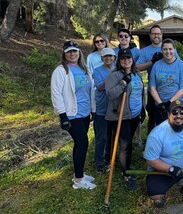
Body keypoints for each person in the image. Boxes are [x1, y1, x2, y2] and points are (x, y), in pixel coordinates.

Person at [144, 100, 183, 208]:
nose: (179, 115)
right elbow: (151, 161)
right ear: (168, 114)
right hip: (163, 171)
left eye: (182, 112)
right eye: (174, 112)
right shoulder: (157, 134)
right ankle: (161, 187)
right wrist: (171, 169)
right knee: (157, 198)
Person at [51, 41, 96, 189]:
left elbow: (91, 91)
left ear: (79, 52)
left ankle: (79, 173)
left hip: (84, 113)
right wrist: (62, 115)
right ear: (64, 54)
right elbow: (56, 94)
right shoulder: (61, 70)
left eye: (75, 51)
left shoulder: (85, 69)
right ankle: (78, 181)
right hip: (71, 114)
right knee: (83, 143)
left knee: (80, 144)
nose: (72, 54)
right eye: (69, 51)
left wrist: (92, 111)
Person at [105, 48, 145, 190]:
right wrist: (122, 83)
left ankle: (127, 167)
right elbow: (110, 94)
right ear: (119, 61)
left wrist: (142, 109)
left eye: (129, 58)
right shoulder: (114, 75)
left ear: (132, 60)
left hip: (134, 115)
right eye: (123, 58)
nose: (126, 60)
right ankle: (126, 174)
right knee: (125, 145)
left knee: (129, 144)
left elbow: (141, 93)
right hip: (121, 116)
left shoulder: (137, 73)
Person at [136, 25, 180, 133]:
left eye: (158, 33)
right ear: (150, 35)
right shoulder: (144, 51)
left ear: (162, 35)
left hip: (170, 89)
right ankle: (152, 138)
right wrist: (151, 62)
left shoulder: (170, 49)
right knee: (152, 116)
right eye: (154, 33)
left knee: (171, 116)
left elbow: (179, 65)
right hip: (154, 89)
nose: (156, 35)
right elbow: (136, 67)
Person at [149, 38, 183, 126]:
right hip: (160, 105)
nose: (168, 52)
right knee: (163, 133)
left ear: (174, 50)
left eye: (170, 49)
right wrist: (160, 104)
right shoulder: (156, 65)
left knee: (178, 131)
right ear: (161, 50)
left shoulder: (181, 65)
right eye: (165, 49)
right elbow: (152, 88)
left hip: (178, 105)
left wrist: (169, 103)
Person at [92, 47, 115, 172]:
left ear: (114, 58)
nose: (108, 59)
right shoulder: (97, 71)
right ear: (102, 58)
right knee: (102, 136)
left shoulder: (118, 69)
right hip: (102, 107)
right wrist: (112, 76)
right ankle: (99, 161)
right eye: (105, 56)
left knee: (113, 134)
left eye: (110, 56)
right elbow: (101, 87)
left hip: (115, 108)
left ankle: (109, 157)